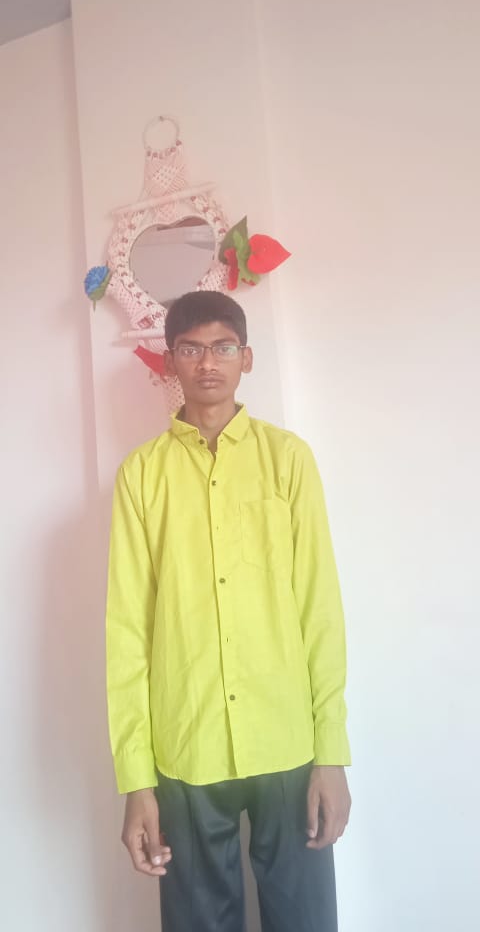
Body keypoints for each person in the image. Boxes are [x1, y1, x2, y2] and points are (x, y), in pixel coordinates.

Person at [106, 290, 351, 932]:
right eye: (190, 349)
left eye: (221, 347)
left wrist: (331, 754)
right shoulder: (142, 475)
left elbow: (319, 608)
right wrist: (137, 780)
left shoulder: (287, 459)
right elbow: (127, 629)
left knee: (305, 921)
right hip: (186, 744)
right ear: (169, 361)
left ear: (246, 357)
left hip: (286, 739)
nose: (207, 363)